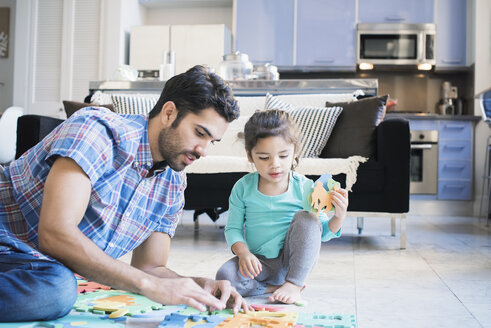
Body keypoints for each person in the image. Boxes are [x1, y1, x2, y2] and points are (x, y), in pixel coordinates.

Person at [0, 65, 249, 322]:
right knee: (56, 291)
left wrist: (196, 286)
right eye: (199, 133)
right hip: (5, 237)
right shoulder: (98, 131)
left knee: (57, 286)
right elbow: (55, 234)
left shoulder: (173, 182)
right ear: (169, 112)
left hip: (29, 265)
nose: (204, 150)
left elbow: (149, 267)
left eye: (212, 141)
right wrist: (148, 285)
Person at [215, 109, 349, 304]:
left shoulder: (305, 187)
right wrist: (244, 254)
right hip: (257, 263)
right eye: (263, 157)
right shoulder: (242, 187)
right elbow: (233, 229)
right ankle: (272, 288)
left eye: (283, 156)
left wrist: (339, 216)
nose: (275, 164)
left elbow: (321, 233)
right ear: (250, 156)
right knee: (224, 277)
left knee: (307, 218)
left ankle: (294, 284)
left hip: (291, 264)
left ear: (294, 151)